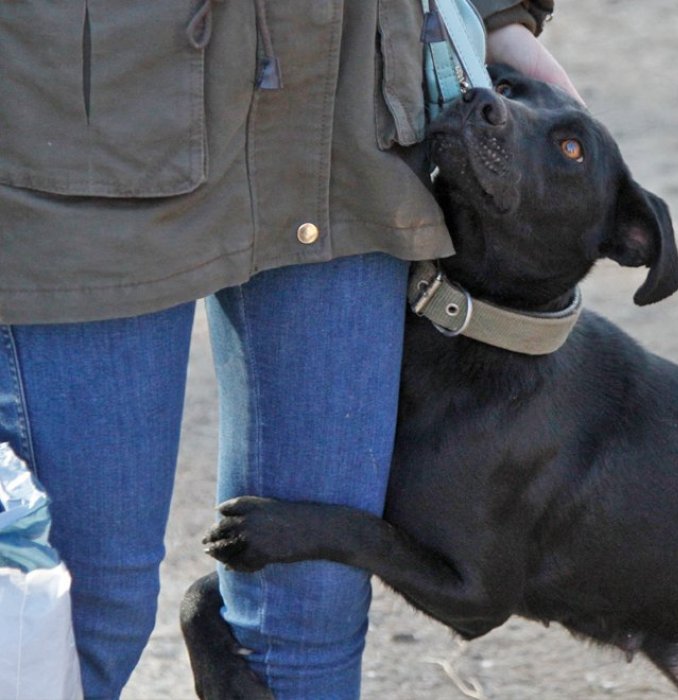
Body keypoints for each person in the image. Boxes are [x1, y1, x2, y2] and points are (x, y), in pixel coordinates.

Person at [0, 1, 577, 698]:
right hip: (95, 99)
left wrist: (491, 15)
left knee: (311, 610)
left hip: (348, 109)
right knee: (80, 610)